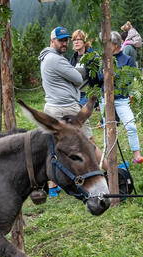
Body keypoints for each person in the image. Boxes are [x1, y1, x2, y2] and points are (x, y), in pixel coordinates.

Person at [39, 26, 100, 197]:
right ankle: (105, 172)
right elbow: (78, 77)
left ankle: (52, 186)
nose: (65, 43)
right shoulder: (57, 59)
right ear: (52, 41)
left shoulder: (46, 57)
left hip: (52, 105)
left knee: (54, 146)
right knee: (88, 142)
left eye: (67, 40)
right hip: (67, 107)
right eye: (61, 40)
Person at [98, 31, 143, 166]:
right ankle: (111, 158)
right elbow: (100, 79)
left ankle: (137, 156)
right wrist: (111, 75)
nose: (105, 47)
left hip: (121, 99)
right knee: (109, 129)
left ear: (115, 44)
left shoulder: (127, 59)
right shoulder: (103, 59)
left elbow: (127, 80)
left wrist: (111, 75)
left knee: (131, 126)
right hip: (105, 99)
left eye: (108, 44)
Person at [69, 29, 95, 106]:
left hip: (87, 94)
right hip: (74, 94)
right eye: (74, 40)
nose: (76, 42)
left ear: (84, 41)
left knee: (78, 114)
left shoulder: (91, 57)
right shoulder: (73, 58)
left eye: (79, 39)